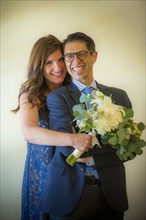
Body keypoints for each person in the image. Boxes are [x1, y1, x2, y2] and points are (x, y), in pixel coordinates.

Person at [40, 32, 132, 220]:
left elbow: (128, 148)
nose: (75, 61)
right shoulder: (58, 98)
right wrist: (109, 149)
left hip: (112, 193)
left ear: (94, 56)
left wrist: (91, 157)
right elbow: (68, 151)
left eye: (81, 54)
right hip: (70, 194)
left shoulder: (119, 96)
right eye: (69, 57)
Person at [12, 35, 93, 220]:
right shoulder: (30, 92)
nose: (57, 68)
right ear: (38, 66)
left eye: (60, 60)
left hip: (70, 168)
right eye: (49, 63)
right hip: (42, 168)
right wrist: (72, 139)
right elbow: (28, 131)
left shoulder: (74, 89)